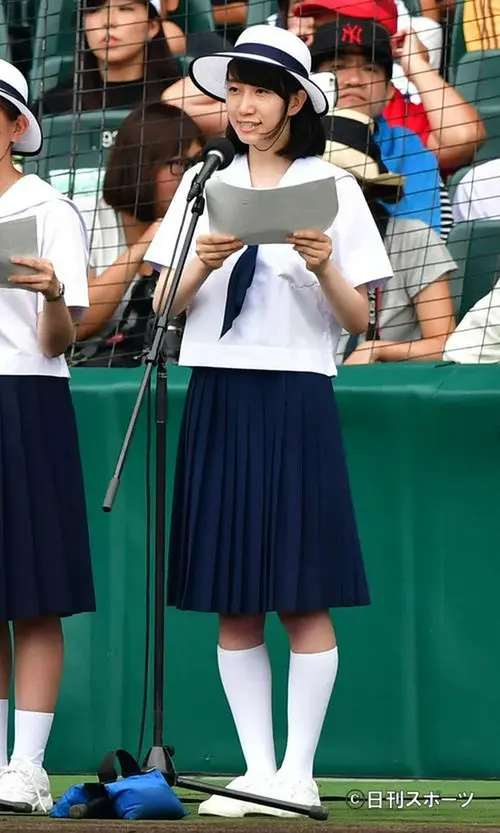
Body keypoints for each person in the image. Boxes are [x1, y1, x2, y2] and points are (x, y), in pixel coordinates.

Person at [145, 23, 393, 817]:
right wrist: (197, 266)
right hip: (218, 387)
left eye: (260, 92)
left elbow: (359, 317)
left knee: (302, 593)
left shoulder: (334, 185)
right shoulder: (201, 181)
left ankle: (298, 768)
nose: (243, 107)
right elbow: (159, 305)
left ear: (294, 101)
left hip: (296, 393)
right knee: (234, 596)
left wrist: (324, 265)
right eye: (235, 91)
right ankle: (254, 770)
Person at [0, 60, 95, 812]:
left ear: (14, 126)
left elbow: (59, 340)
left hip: (29, 401)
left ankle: (27, 766)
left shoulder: (51, 210)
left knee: (34, 596)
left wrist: (54, 292)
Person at [69, 101, 204, 367]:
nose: (191, 174)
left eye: (197, 163)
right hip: (92, 372)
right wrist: (145, 245)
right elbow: (74, 326)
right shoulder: (81, 217)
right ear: (141, 165)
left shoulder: (202, 220)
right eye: (180, 163)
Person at [323, 110, 456, 363]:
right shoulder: (285, 243)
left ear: (367, 187)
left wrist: (377, 349)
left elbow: (446, 345)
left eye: (342, 180)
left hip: (378, 388)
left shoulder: (413, 237)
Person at [308, 16, 446, 236]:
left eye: (370, 69)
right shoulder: (285, 139)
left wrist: (418, 65)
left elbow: (421, 245)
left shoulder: (408, 146)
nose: (353, 80)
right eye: (338, 66)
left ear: (389, 91)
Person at [36, 0, 180, 115]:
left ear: (152, 27)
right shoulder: (53, 106)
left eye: (125, 8)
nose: (108, 21)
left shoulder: (179, 100)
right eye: (95, 9)